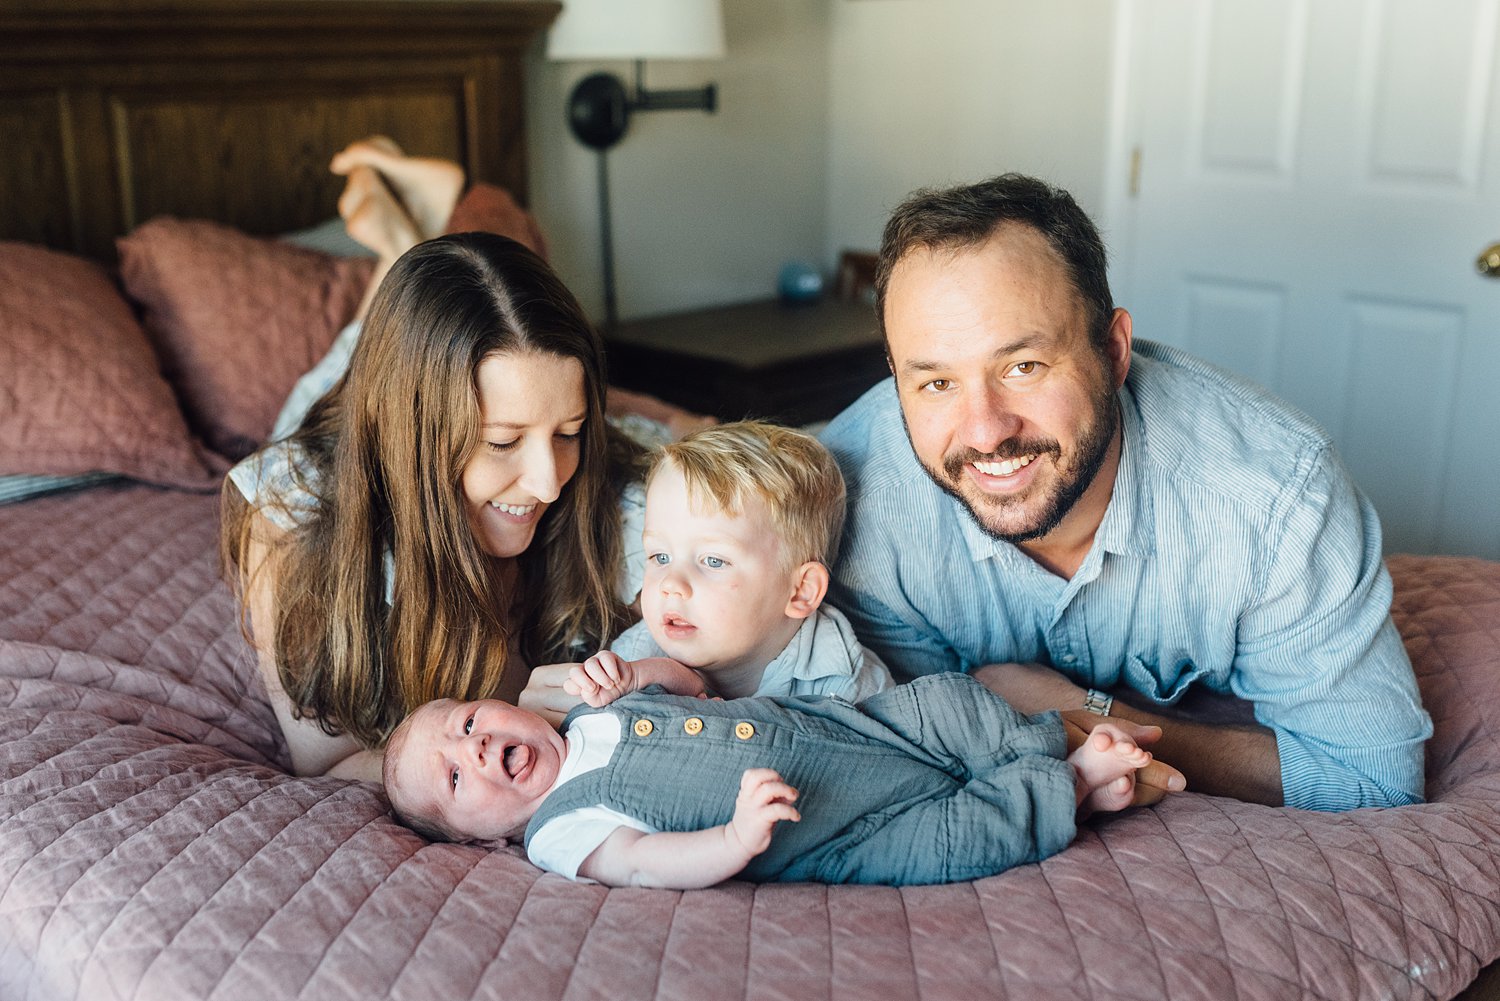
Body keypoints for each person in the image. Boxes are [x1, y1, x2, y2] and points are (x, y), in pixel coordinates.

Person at [819, 173, 1433, 812]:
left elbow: (1372, 780)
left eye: (1022, 367)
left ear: (1113, 351)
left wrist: (1083, 712)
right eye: (936, 383)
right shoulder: (853, 497)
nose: (984, 432)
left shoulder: (1276, 496)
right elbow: (898, 740)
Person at [221, 231, 649, 781]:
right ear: (414, 438)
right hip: (344, 458)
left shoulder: (610, 490)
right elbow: (329, 762)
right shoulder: (290, 513)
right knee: (322, 397)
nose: (547, 485)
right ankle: (396, 238)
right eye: (501, 442)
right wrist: (519, 728)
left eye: (569, 431)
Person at [382, 670, 1168, 887]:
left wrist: (634, 671)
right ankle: (1069, 783)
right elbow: (643, 862)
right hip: (830, 830)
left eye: (469, 720)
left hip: (843, 725)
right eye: (454, 775)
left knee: (947, 700)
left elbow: (688, 683)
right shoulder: (559, 828)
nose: (477, 746)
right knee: (956, 838)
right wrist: (731, 838)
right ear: (472, 836)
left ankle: (1036, 744)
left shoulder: (592, 715)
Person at [576, 421, 893, 703]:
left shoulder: (850, 687)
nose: (671, 584)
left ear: (801, 591)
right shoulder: (631, 661)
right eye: (660, 556)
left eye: (713, 561)